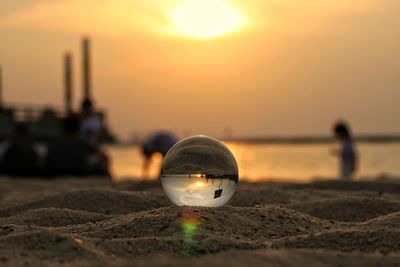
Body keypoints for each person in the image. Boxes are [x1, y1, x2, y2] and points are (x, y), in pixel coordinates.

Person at [45, 115, 110, 177]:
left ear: (63, 129)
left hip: (56, 173)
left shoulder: (53, 145)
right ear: (78, 130)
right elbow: (101, 157)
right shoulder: (83, 145)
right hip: (80, 172)